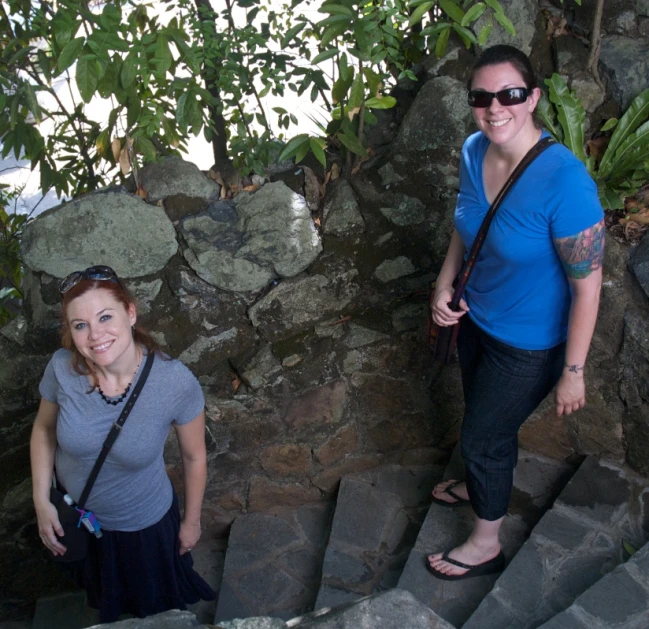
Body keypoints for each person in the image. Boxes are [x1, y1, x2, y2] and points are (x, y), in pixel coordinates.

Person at [426, 45, 604, 580]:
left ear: (533, 99)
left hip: (530, 344)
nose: (494, 107)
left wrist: (573, 371)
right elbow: (468, 226)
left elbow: (588, 288)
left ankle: (485, 543)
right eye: (482, 96)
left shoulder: (565, 182)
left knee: (483, 437)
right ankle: (481, 482)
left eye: (510, 94)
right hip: (477, 317)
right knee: (483, 418)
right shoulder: (473, 149)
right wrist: (444, 283)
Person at [30, 265, 216, 621]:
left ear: (130, 312)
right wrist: (41, 500)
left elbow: (194, 457)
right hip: (82, 518)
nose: (94, 335)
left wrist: (192, 522)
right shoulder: (61, 370)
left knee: (152, 609)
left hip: (141, 527)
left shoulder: (174, 383)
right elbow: (44, 431)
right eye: (80, 325)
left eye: (104, 317)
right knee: (108, 600)